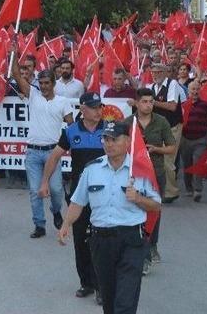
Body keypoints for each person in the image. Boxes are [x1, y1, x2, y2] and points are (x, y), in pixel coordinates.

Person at [57, 121, 161, 314]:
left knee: (126, 298)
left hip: (131, 240)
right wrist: (66, 224)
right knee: (109, 297)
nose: (109, 143)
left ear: (127, 141)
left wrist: (137, 198)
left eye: (114, 139)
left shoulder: (140, 170)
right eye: (106, 138)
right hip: (101, 241)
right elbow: (78, 201)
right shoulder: (91, 169)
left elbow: (156, 204)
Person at [41, 92, 105, 302]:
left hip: (104, 195)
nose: (99, 111)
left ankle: (101, 286)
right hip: (80, 194)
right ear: (83, 109)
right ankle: (86, 282)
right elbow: (54, 157)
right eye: (94, 107)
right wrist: (44, 182)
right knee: (80, 239)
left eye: (100, 107)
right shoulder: (71, 132)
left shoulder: (109, 130)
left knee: (101, 240)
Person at [11, 48, 74, 239]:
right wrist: (13, 53)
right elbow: (15, 74)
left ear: (53, 84)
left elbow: (71, 126)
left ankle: (56, 211)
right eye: (41, 83)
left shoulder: (63, 102)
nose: (44, 86)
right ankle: (39, 225)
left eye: (47, 83)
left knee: (55, 189)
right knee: (34, 191)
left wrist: (70, 147)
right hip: (32, 152)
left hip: (52, 153)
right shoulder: (33, 95)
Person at [124, 87, 175, 276]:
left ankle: (152, 245)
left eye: (151, 102)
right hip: (135, 175)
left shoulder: (161, 122)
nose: (148, 105)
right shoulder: (128, 122)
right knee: (136, 212)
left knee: (154, 210)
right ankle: (141, 252)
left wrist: (156, 150)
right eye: (144, 101)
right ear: (137, 103)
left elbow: (171, 147)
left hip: (156, 173)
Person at [146, 63, 183, 203]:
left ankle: (171, 191)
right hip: (159, 128)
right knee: (158, 159)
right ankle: (162, 189)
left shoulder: (172, 84)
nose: (155, 75)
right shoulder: (152, 87)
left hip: (173, 126)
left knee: (167, 158)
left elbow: (172, 106)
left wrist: (153, 102)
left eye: (158, 72)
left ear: (165, 72)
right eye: (153, 72)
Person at [179, 81, 207, 202]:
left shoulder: (205, 105)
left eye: (197, 89)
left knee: (198, 165)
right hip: (185, 139)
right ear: (188, 91)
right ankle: (189, 188)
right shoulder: (183, 105)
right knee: (187, 165)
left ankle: (198, 190)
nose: (195, 92)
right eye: (192, 89)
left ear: (200, 90)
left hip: (200, 140)